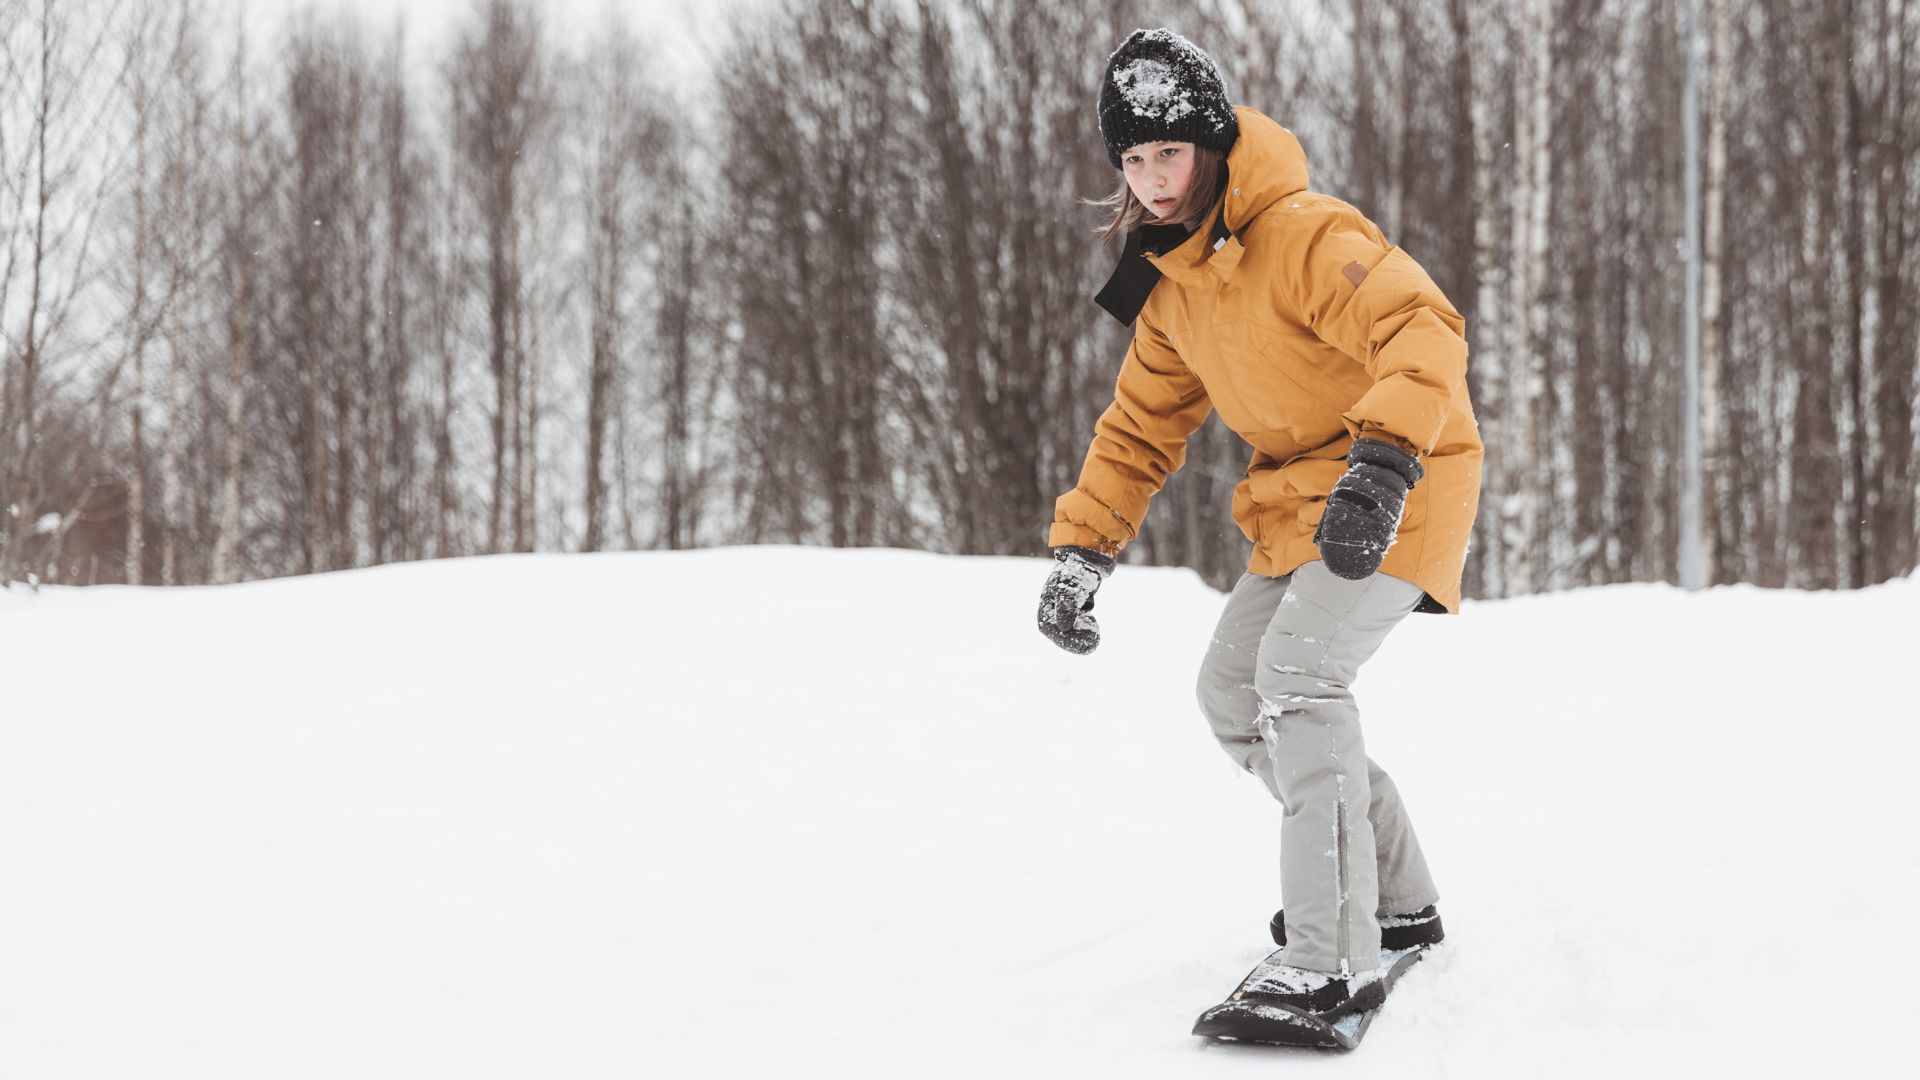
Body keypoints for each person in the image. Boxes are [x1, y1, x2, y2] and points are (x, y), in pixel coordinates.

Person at [1035, 28, 1483, 1018]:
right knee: (1235, 693)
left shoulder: (1307, 235)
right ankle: (1398, 901)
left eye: (1169, 152)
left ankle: (1331, 955)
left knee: (1298, 679)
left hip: (1405, 475)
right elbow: (1139, 429)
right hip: (1299, 502)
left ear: (1213, 142)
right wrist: (1083, 550)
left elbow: (1424, 329)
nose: (1152, 179)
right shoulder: (1173, 288)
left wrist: (1383, 467)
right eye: (1134, 159)